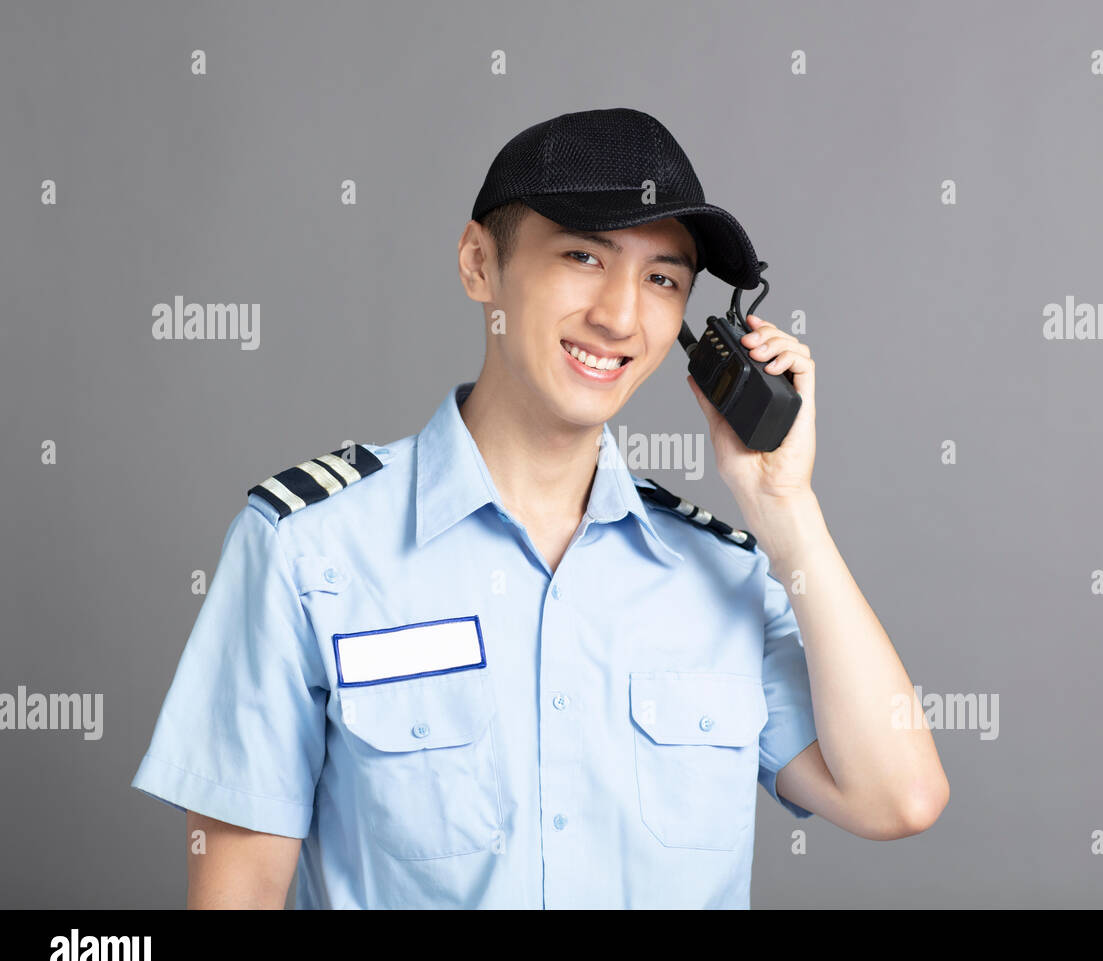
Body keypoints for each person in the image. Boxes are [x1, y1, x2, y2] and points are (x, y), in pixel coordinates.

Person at [130, 107, 949, 909]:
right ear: (479, 263)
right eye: (583, 256)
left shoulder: (724, 575)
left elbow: (900, 798)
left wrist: (788, 512)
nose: (621, 315)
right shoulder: (307, 548)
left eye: (663, 277)